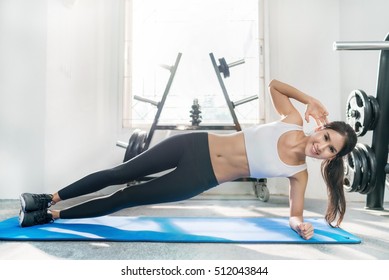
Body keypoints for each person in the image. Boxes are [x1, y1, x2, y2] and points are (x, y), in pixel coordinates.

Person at [18, 79, 357, 240]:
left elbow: (294, 215)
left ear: (331, 158)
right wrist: (309, 98)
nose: (322, 147)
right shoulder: (292, 120)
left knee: (127, 197)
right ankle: (47, 197)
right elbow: (275, 86)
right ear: (321, 128)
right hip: (192, 145)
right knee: (118, 173)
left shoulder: (299, 175)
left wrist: (300, 226)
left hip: (198, 179)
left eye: (330, 150)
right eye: (326, 137)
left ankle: (50, 216)